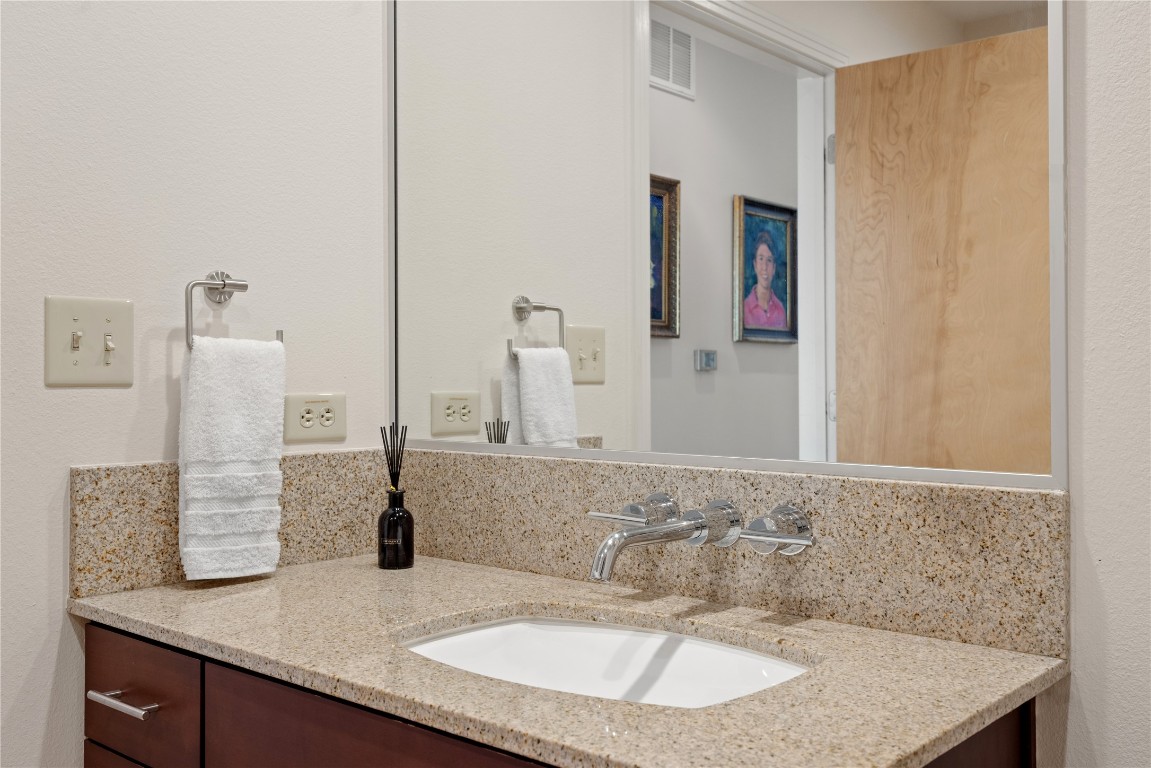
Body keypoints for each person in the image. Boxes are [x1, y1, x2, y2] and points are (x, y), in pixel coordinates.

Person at [743, 231, 786, 329]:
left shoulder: (781, 310)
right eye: (761, 259)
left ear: (774, 268)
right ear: (755, 265)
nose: (765, 267)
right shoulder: (744, 308)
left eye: (769, 260)